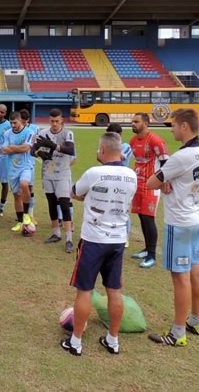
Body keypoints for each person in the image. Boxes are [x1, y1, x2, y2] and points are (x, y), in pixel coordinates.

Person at [61, 132, 137, 356]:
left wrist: (90, 196)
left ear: (102, 150)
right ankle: (113, 340)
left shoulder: (95, 172)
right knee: (114, 291)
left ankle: (75, 342)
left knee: (84, 290)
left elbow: (74, 192)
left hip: (93, 239)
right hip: (117, 240)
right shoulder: (131, 175)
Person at [146, 109, 199, 347]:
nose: (171, 129)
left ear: (184, 126)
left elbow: (152, 182)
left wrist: (165, 181)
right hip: (197, 217)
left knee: (180, 276)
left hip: (180, 222)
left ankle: (177, 332)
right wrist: (170, 181)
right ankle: (195, 319)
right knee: (195, 268)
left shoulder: (181, 156)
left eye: (173, 125)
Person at [33, 108, 76, 253]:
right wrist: (39, 153)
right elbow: (32, 150)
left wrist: (53, 146)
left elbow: (70, 150)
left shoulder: (67, 133)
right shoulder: (43, 133)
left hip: (62, 174)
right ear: (49, 120)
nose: (55, 124)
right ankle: (56, 233)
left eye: (57, 121)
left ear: (62, 120)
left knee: (64, 204)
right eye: (52, 121)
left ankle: (69, 238)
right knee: (51, 203)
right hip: (48, 173)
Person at [130, 113, 169, 268]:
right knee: (141, 217)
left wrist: (164, 181)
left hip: (151, 186)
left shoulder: (155, 140)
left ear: (145, 123)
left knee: (148, 218)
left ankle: (152, 255)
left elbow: (167, 162)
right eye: (132, 121)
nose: (133, 124)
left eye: (136, 121)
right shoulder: (133, 141)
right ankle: (147, 249)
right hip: (137, 185)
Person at [1, 112, 34, 233]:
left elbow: (26, 148)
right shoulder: (7, 133)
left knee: (24, 184)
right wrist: (18, 148)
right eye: (11, 123)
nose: (13, 125)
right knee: (17, 196)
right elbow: (4, 150)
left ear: (20, 121)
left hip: (25, 166)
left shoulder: (28, 132)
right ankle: (20, 222)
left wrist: (12, 147)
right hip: (12, 169)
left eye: (15, 122)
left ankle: (26, 214)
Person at [20, 109, 37, 218]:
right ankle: (22, 214)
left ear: (28, 121)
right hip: (19, 163)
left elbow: (36, 142)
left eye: (25, 122)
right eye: (21, 122)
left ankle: (30, 214)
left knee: (30, 188)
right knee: (21, 190)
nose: (23, 125)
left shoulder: (34, 128)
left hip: (31, 162)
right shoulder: (17, 129)